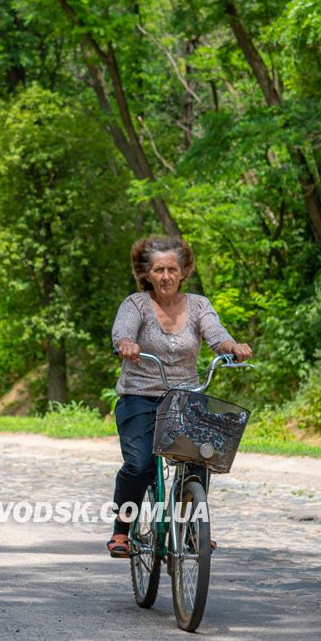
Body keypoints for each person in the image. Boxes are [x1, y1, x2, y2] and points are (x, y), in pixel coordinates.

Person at [107, 235, 252, 557]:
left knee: (200, 458)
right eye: (158, 270)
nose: (166, 276)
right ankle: (121, 530)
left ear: (183, 271)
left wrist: (232, 348)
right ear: (146, 273)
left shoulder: (199, 305)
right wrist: (126, 344)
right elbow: (123, 331)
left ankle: (188, 529)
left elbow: (217, 335)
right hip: (139, 396)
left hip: (185, 398)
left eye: (172, 269)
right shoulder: (136, 304)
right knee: (140, 464)